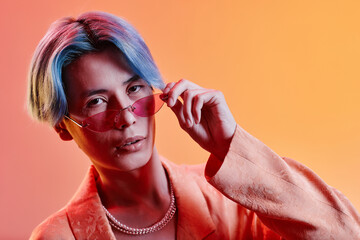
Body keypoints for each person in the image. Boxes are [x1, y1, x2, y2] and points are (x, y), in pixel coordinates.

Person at [28, 11, 360, 240]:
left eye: (134, 89)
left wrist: (230, 144)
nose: (127, 117)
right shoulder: (57, 235)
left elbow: (346, 233)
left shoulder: (233, 200)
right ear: (61, 126)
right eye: (96, 102)